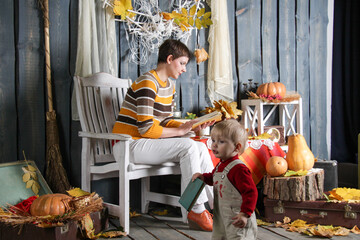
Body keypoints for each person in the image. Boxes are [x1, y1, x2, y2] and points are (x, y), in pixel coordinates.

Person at [112, 39, 215, 231]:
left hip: (146, 144)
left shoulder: (169, 86)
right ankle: (197, 210)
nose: (184, 69)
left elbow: (164, 121)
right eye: (182, 63)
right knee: (188, 146)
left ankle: (217, 205)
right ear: (170, 59)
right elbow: (145, 128)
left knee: (200, 146)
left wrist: (192, 126)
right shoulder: (147, 82)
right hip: (128, 144)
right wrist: (180, 131)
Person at [192, 119, 258, 239]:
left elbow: (251, 193)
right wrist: (203, 177)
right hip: (221, 217)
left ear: (236, 147)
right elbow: (214, 178)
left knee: (237, 237)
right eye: (213, 140)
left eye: (221, 141)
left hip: (237, 218)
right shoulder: (221, 164)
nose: (215, 145)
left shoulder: (239, 169)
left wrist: (244, 214)